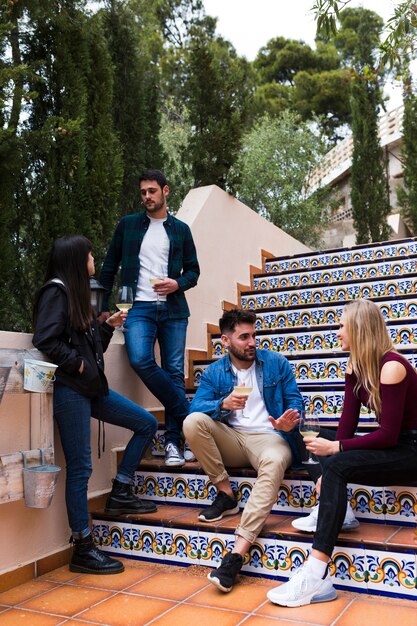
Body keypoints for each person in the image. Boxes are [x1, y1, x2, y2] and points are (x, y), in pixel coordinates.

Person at [267, 298, 417, 608]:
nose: (337, 332)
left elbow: (388, 435)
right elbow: (347, 425)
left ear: (359, 330)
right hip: (394, 445)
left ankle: (316, 573)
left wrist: (336, 454)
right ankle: (338, 510)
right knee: (311, 434)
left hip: (411, 450)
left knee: (335, 462)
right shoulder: (355, 365)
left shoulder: (392, 367)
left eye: (341, 325)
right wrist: (334, 452)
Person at [33, 235, 158, 575]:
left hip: (92, 389)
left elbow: (91, 347)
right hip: (72, 391)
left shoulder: (75, 296)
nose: (93, 258)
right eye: (90, 254)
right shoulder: (55, 291)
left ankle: (120, 489)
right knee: (81, 469)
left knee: (146, 423)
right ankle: (83, 546)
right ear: (77, 259)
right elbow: (45, 338)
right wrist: (77, 365)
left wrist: (105, 327)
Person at [183, 308, 304, 592]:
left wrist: (289, 421)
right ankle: (226, 494)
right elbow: (195, 408)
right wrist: (222, 405)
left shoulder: (275, 364)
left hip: (269, 437)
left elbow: (295, 401)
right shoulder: (214, 372)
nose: (251, 342)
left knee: (274, 462)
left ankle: (236, 554)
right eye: (244, 337)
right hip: (233, 437)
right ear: (225, 341)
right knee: (192, 422)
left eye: (254, 335)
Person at [99, 169, 200, 467]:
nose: (147, 197)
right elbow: (108, 266)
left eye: (152, 191)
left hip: (173, 309)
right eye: (143, 192)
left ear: (165, 191)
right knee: (140, 359)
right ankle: (190, 424)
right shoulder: (128, 225)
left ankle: (172, 442)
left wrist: (176, 283)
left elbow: (194, 271)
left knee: (173, 373)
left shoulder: (180, 229)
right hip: (138, 307)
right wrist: (102, 307)